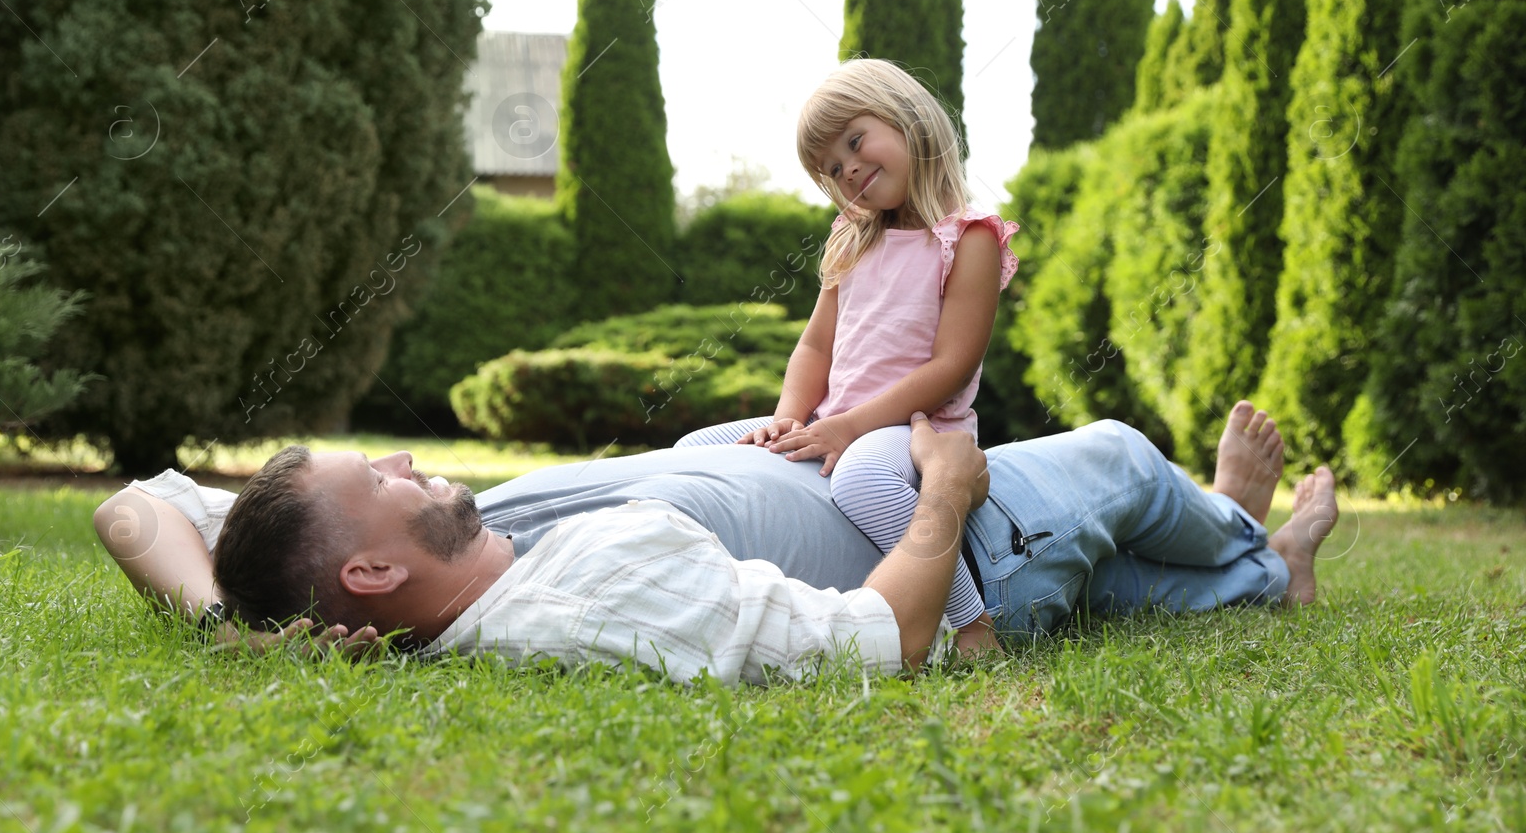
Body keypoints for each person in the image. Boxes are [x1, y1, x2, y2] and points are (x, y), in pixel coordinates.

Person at [93, 401, 1340, 682]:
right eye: (384, 474)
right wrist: (944, 493)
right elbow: (891, 638)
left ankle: (1247, 567)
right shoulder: (584, 600)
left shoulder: (326, 563)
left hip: (799, 463)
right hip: (947, 542)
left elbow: (133, 509)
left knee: (1128, 588)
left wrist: (229, 623)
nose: (409, 460)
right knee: (1120, 458)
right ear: (371, 570)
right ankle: (1241, 527)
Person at [675, 58, 1019, 637]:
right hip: (835, 419)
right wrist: (787, 418)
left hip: (919, 429)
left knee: (861, 480)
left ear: (908, 118)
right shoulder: (851, 238)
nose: (850, 168)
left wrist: (849, 427)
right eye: (833, 167)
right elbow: (815, 346)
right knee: (693, 449)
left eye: (856, 141)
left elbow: (952, 366)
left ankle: (969, 621)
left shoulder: (970, 236)